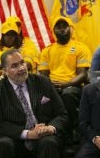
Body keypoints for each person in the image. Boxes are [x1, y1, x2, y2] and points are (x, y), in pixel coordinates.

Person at [38, 16, 91, 144]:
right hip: (52, 87)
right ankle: (48, 131)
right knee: (41, 97)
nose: (61, 29)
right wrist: (50, 86)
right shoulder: (47, 50)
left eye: (64, 26)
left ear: (71, 29)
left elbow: (83, 75)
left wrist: (65, 84)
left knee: (68, 94)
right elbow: (43, 75)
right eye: (58, 26)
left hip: (73, 86)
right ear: (54, 30)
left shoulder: (81, 48)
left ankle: (71, 130)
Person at [0, 16, 39, 85]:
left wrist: (9, 71)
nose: (11, 37)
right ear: (3, 35)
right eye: (8, 34)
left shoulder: (27, 43)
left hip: (19, 82)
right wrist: (7, 65)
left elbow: (28, 64)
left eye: (18, 26)